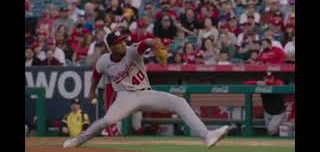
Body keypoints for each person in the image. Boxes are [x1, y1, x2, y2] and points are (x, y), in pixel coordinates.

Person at [63, 31, 229, 148]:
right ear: (111, 47)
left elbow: (146, 43)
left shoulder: (131, 51)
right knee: (107, 121)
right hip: (125, 97)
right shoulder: (103, 61)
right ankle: (78, 141)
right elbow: (96, 74)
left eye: (123, 40)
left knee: (179, 102)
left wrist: (156, 45)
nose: (123, 43)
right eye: (118, 42)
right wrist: (92, 91)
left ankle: (207, 136)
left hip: (145, 92)